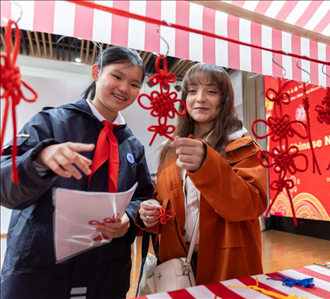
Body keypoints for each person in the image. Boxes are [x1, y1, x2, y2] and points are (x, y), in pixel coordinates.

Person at [0, 46, 154, 299]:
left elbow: (142, 196)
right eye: (117, 76)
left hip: (106, 274)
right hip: (41, 272)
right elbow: (6, 186)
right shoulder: (50, 123)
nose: (125, 88)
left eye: (135, 84)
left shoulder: (133, 146)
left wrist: (129, 217)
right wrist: (38, 159)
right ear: (96, 73)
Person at [136, 63, 268, 286]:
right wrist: (149, 213)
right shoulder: (171, 149)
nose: (200, 98)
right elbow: (166, 203)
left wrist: (207, 165)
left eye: (212, 91)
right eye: (192, 90)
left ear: (224, 99)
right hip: (175, 262)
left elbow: (251, 204)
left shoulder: (243, 146)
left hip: (227, 263)